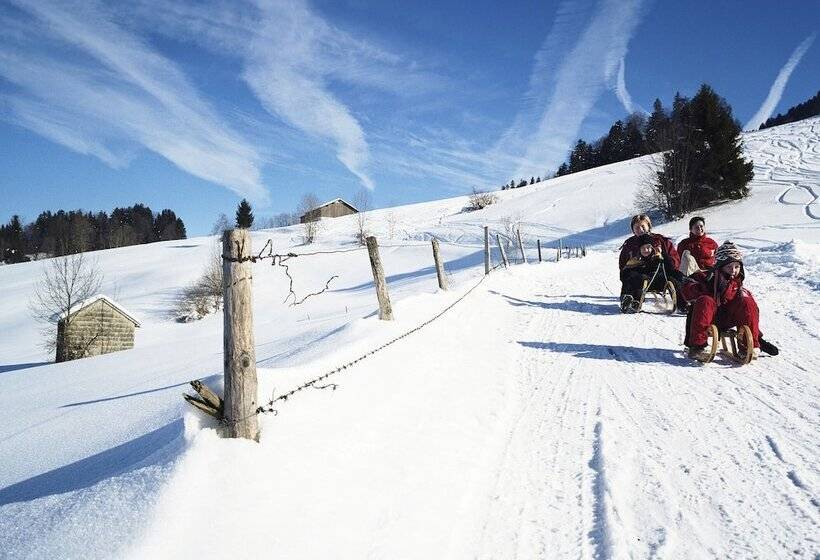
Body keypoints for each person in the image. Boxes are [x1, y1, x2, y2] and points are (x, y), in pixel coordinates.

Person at [682, 241, 779, 360]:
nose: (733, 270)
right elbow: (686, 288)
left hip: (728, 318)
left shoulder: (738, 286)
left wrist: (757, 337)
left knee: (747, 302)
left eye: (737, 267)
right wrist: (702, 289)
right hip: (708, 318)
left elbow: (751, 314)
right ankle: (698, 347)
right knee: (706, 300)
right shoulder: (706, 277)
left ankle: (748, 346)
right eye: (729, 267)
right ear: (720, 266)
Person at [618, 214, 681, 313]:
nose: (640, 229)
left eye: (643, 226)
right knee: (635, 277)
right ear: (633, 230)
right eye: (637, 227)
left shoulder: (660, 240)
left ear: (649, 226)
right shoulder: (629, 244)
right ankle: (630, 300)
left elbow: (674, 259)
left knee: (676, 277)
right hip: (638, 277)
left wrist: (664, 258)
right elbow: (623, 264)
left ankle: (683, 302)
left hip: (659, 275)